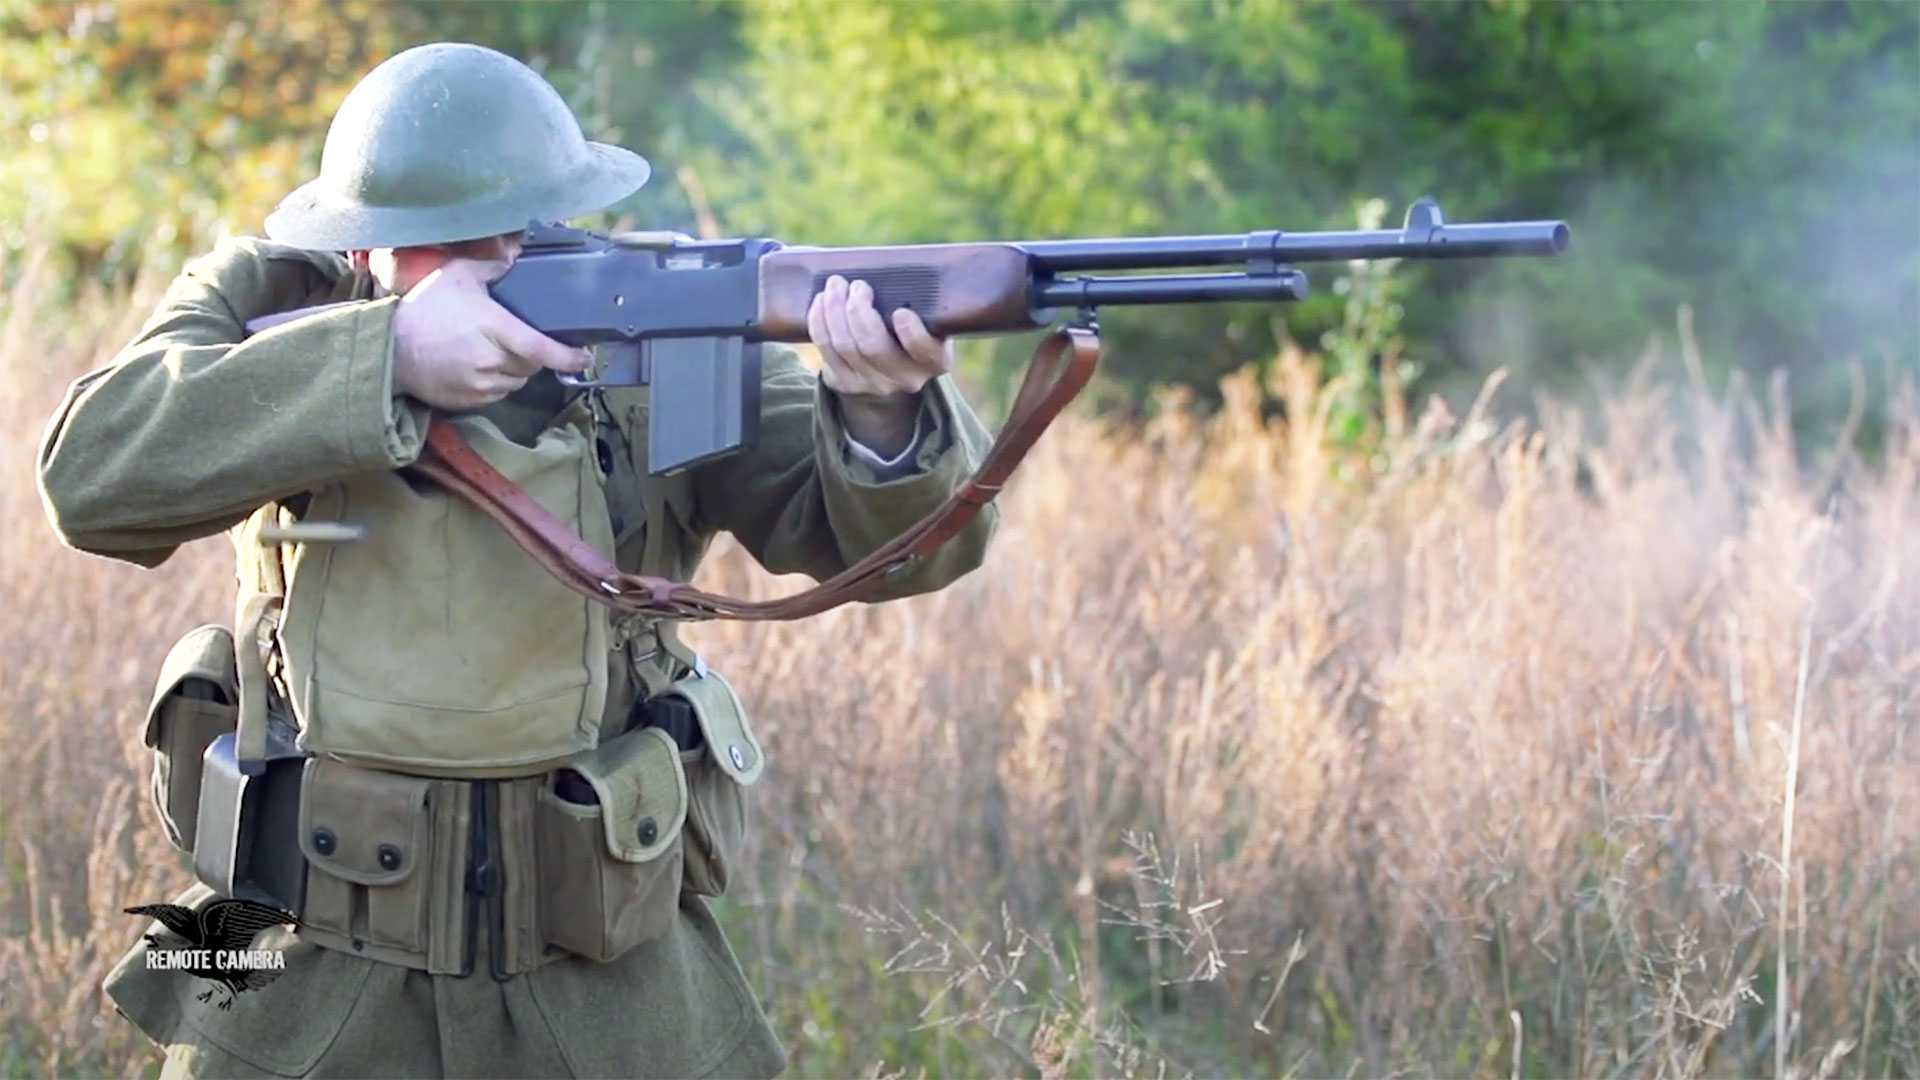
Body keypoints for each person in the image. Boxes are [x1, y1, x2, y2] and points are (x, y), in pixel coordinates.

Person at [36, 41, 999, 1079]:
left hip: (603, 974)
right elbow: (88, 477)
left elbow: (889, 552)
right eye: (445, 245)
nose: (499, 261)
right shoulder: (262, 297)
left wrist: (881, 415)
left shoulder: (655, 317)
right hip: (297, 952)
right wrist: (386, 358)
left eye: (518, 232)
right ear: (362, 248)